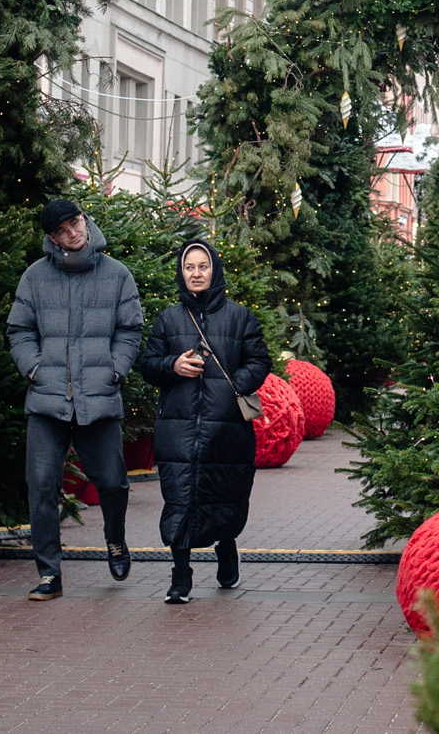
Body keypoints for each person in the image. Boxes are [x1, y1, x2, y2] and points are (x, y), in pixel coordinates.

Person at [7, 199, 143, 601]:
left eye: (76, 222)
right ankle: (50, 574)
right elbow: (19, 331)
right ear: (52, 238)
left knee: (113, 483)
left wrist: (114, 371)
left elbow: (130, 329)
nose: (74, 232)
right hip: (47, 401)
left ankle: (115, 541)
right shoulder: (34, 278)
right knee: (42, 485)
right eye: (63, 229)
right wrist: (35, 370)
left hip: (98, 397)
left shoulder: (118, 275)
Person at [139, 241, 269, 604]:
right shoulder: (168, 319)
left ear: (215, 270)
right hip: (177, 429)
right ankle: (180, 575)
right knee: (179, 498)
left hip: (225, 428)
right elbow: (148, 364)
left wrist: (233, 389)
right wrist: (172, 366)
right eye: (189, 267)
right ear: (181, 274)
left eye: (203, 266)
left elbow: (259, 362)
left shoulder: (240, 317)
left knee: (224, 494)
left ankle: (226, 547)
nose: (196, 274)